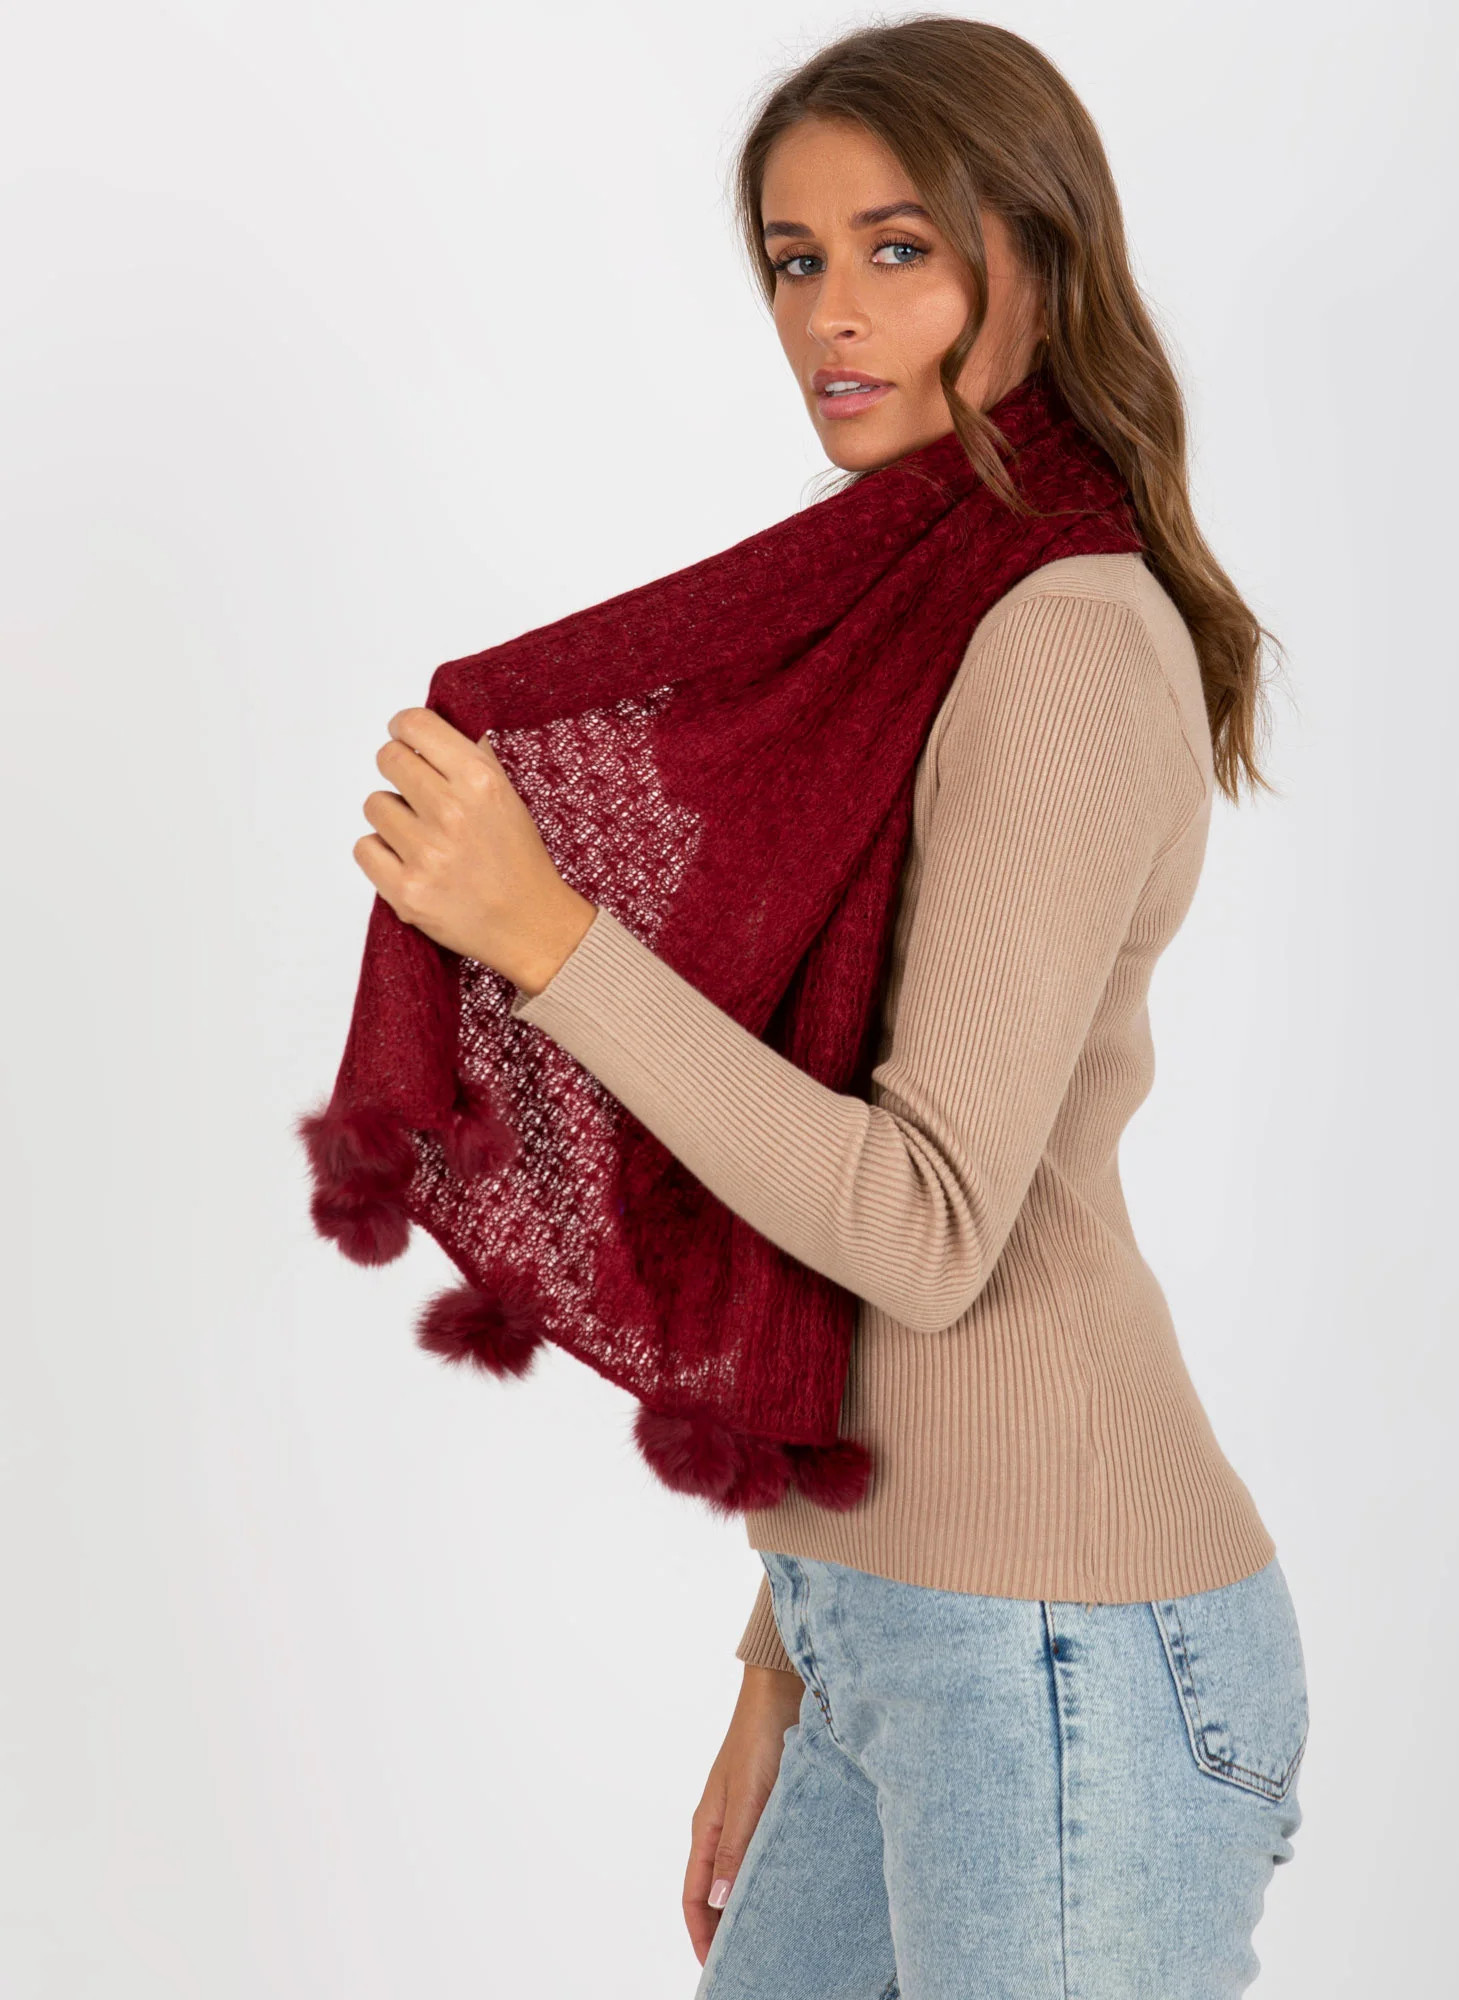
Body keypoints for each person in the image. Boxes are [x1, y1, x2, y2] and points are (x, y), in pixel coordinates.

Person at [351, 18, 1310, 1998]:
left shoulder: (1059, 633)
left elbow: (927, 1226)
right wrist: (786, 1657)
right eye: (796, 260)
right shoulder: (908, 608)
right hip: (901, 1624)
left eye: (898, 248)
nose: (831, 315)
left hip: (1059, 1649)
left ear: (1037, 257)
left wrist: (551, 939)